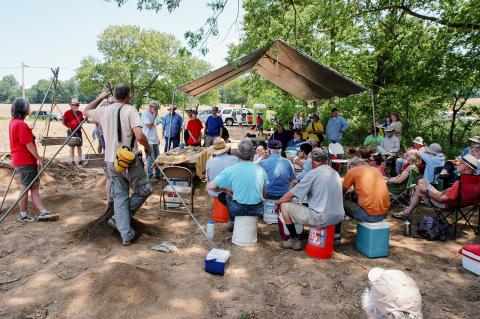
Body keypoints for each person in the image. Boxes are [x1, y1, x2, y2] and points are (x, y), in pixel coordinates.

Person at [84, 84, 152, 246]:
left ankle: (126, 233)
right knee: (144, 190)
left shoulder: (104, 110)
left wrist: (100, 97)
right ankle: (120, 220)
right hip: (130, 159)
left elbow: (85, 110)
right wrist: (148, 148)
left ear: (114, 96)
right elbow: (139, 135)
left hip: (110, 160)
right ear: (129, 95)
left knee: (120, 195)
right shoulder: (131, 110)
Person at [274, 148, 345, 250]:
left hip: (321, 218)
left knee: (284, 205)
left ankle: (294, 240)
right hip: (338, 217)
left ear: (312, 161)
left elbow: (291, 195)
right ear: (326, 160)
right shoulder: (335, 173)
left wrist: (277, 202)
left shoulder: (313, 173)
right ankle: (336, 237)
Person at [392, 154, 479, 219]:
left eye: (461, 163)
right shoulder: (474, 180)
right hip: (460, 202)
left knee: (419, 188)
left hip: (446, 204)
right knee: (422, 181)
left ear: (466, 168)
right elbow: (454, 191)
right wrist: (442, 192)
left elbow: (441, 199)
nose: (458, 164)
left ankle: (406, 212)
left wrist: (426, 191)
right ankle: (407, 211)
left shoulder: (460, 182)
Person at [9, 98, 55, 222]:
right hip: (26, 160)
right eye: (28, 107)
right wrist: (38, 158)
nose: (29, 109)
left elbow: (20, 137)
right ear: (24, 109)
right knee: (26, 187)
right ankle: (24, 214)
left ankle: (41, 211)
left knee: (32, 186)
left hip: (20, 159)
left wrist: (29, 130)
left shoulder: (14, 122)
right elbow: (28, 145)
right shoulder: (21, 124)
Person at [207, 139, 268, 229]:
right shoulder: (260, 170)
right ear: (252, 153)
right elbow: (265, 193)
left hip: (238, 209)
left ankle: (233, 221)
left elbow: (211, 186)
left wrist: (225, 189)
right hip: (258, 209)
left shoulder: (231, 169)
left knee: (227, 196)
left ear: (238, 152)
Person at [342, 157, 390, 223]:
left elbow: (341, 193)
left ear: (351, 166)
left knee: (338, 200)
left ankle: (336, 232)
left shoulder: (352, 171)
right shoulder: (376, 170)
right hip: (383, 214)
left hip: (368, 216)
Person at [141, 101, 161, 180]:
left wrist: (157, 138)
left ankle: (157, 174)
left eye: (156, 108)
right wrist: (154, 116)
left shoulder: (153, 114)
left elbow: (153, 128)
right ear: (150, 106)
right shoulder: (145, 114)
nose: (156, 110)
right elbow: (149, 126)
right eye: (155, 108)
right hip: (148, 140)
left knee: (157, 158)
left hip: (154, 139)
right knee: (150, 159)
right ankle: (149, 175)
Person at [62, 98, 84, 165]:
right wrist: (69, 126)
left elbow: (82, 120)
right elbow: (63, 122)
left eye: (78, 105)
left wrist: (81, 124)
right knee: (72, 146)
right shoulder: (67, 113)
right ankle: (72, 160)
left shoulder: (80, 113)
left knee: (79, 145)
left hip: (78, 131)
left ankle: (80, 160)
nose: (77, 106)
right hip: (71, 131)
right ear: (72, 105)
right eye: (76, 105)